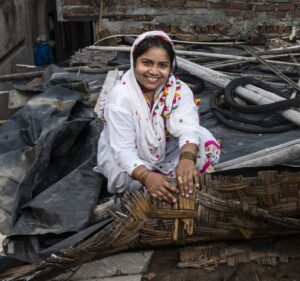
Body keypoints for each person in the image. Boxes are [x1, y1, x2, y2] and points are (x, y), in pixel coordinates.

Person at [95, 31, 221, 203]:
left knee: (199, 140)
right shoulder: (120, 98)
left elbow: (188, 128)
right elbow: (123, 150)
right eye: (146, 63)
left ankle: (175, 171)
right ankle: (155, 179)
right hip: (130, 151)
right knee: (122, 178)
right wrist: (147, 176)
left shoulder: (178, 89)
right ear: (134, 62)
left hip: (165, 147)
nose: (153, 72)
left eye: (162, 65)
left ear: (170, 67)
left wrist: (186, 159)